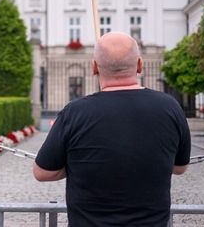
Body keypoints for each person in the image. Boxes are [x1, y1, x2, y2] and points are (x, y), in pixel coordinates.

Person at [33, 31, 191, 226]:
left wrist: (83, 163)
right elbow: (180, 167)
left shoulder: (75, 112)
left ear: (94, 67)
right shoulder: (170, 107)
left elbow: (42, 172)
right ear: (140, 65)